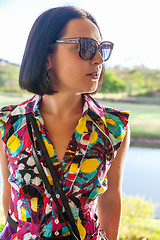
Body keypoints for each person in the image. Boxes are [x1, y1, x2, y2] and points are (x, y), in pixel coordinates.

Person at [0, 6, 130, 240]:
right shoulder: (8, 122)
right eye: (86, 48)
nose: (99, 59)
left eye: (101, 49)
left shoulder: (113, 127)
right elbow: (10, 194)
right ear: (47, 57)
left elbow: (110, 198)